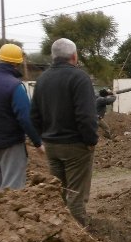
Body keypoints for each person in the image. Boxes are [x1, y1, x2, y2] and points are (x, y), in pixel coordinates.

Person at [30, 38, 98, 226]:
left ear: (53, 57)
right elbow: (86, 115)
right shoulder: (79, 78)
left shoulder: (42, 79)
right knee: (76, 196)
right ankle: (78, 240)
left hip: (51, 145)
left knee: (57, 192)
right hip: (76, 146)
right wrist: (91, 140)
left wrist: (40, 139)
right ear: (74, 56)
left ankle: (59, 236)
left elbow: (34, 114)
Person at [0, 43, 43, 190]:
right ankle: (9, 213)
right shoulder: (15, 86)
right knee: (12, 189)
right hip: (11, 144)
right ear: (17, 63)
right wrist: (37, 142)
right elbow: (25, 117)